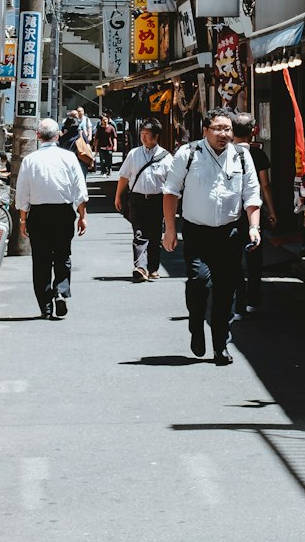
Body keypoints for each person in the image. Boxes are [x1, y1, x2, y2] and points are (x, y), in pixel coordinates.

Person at [162, 108, 261, 366]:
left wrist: (254, 226)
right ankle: (196, 323)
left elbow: (251, 195)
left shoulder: (241, 156)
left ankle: (221, 345)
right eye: (217, 128)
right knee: (200, 282)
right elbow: (171, 191)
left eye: (227, 129)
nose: (223, 134)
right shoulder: (188, 153)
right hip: (196, 232)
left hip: (229, 233)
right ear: (205, 130)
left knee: (226, 290)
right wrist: (170, 229)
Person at [14, 118, 88, 319]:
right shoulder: (69, 157)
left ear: (38, 136)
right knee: (63, 255)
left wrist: (23, 219)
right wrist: (82, 215)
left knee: (41, 260)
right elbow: (79, 189)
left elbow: (22, 193)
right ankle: (61, 290)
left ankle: (46, 307)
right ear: (58, 136)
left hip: (38, 214)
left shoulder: (30, 160)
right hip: (63, 212)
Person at [231, 112, 278, 316]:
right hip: (253, 211)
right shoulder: (257, 154)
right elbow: (265, 185)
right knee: (254, 258)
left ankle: (238, 303)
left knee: (233, 259)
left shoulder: (226, 152)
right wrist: (272, 211)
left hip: (231, 212)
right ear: (253, 131)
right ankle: (253, 300)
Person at [114, 117, 172, 281]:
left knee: (154, 236)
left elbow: (172, 185)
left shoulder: (167, 158)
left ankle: (152, 268)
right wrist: (118, 196)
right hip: (137, 199)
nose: (143, 137)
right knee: (139, 233)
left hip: (157, 201)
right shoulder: (134, 154)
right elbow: (124, 177)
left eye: (147, 134)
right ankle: (140, 267)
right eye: (142, 134)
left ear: (156, 136)